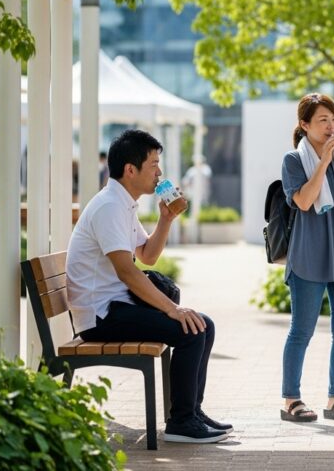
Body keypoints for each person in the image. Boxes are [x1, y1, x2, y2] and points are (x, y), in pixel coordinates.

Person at [65, 129, 230, 444]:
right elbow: (128, 272)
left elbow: (147, 256)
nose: (159, 173)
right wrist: (172, 308)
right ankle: (182, 422)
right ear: (131, 170)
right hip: (100, 316)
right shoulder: (109, 207)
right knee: (193, 328)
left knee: (201, 326)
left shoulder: (122, 203)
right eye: (154, 164)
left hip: (114, 306)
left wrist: (165, 219)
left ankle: (191, 412)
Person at [280, 92, 334, 423]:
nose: (331, 126)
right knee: (301, 331)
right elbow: (303, 201)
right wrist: (323, 163)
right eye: (322, 120)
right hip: (309, 256)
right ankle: (291, 399)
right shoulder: (294, 160)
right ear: (304, 125)